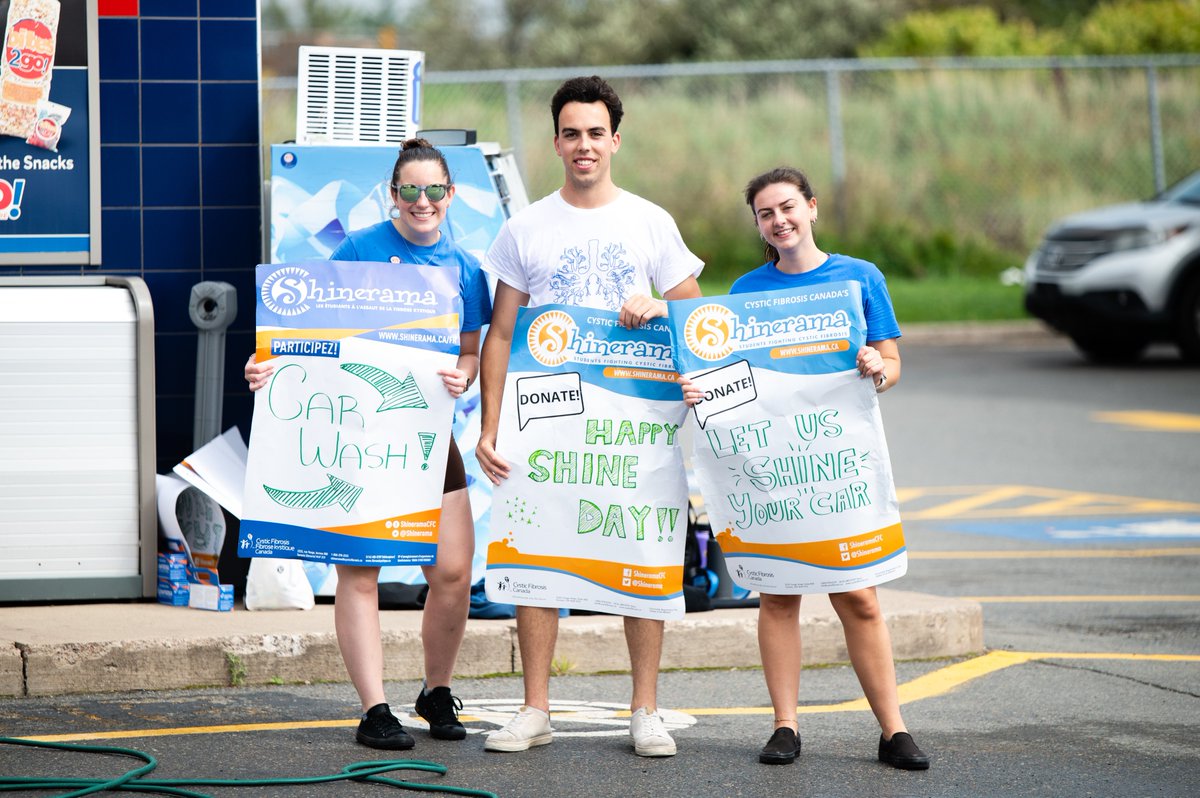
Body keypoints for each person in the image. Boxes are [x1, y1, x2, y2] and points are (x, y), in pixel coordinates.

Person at [474, 75, 703, 757]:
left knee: (638, 550)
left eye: (595, 133)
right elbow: (500, 332)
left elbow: (700, 318)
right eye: (571, 133)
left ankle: (645, 710)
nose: (583, 145)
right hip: (544, 423)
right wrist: (488, 426)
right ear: (555, 142)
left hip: (633, 422)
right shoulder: (526, 225)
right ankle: (535, 708)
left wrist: (662, 306)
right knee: (538, 553)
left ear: (615, 140)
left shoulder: (650, 221)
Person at [681, 166, 930, 770]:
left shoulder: (858, 277)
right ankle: (785, 727)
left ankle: (893, 731)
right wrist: (702, 389)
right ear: (759, 224)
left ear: (812, 207)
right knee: (779, 598)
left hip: (836, 471)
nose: (779, 220)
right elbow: (733, 382)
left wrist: (877, 364)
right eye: (765, 214)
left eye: (788, 207)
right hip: (773, 474)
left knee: (861, 601)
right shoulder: (744, 292)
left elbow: (892, 364)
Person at [245, 138, 490, 751]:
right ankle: (374, 709)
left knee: (454, 571)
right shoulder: (360, 250)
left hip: (424, 436)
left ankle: (436, 691)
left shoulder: (464, 267)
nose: (422, 201)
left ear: (450, 194)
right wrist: (263, 363)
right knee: (360, 571)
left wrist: (467, 372)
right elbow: (301, 335)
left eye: (434, 189)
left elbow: (470, 349)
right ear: (393, 194)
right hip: (353, 431)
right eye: (410, 189)